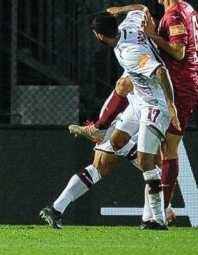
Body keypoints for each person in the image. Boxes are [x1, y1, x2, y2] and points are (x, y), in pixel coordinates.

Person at [70, 0, 198, 223]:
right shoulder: (188, 9)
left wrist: (153, 36)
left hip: (179, 87)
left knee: (169, 149)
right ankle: (102, 128)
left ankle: (163, 209)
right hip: (174, 81)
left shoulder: (173, 16)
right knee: (124, 84)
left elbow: (179, 52)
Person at [86, 6, 179, 229]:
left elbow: (160, 71)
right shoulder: (129, 23)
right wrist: (121, 9)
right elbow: (142, 8)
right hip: (138, 101)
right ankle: (155, 184)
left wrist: (170, 105)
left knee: (146, 160)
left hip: (154, 105)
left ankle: (158, 217)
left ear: (99, 35)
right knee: (117, 140)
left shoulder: (130, 52)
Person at [40, 88, 143, 229]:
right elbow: (122, 85)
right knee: (151, 164)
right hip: (125, 118)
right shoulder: (144, 67)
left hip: (135, 117)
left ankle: (55, 209)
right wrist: (102, 125)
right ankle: (158, 213)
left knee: (100, 168)